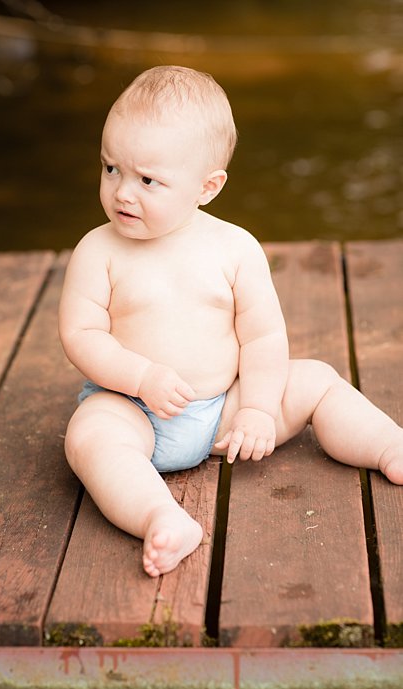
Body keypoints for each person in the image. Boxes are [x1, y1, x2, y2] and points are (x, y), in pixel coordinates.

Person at [59, 65, 403, 577]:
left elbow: (262, 336)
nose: (123, 192)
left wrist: (259, 409)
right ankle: (162, 518)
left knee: (317, 381)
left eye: (148, 180)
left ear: (208, 186)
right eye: (111, 169)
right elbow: (81, 335)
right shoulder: (98, 250)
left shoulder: (234, 248)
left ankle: (387, 443)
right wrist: (141, 378)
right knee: (89, 438)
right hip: (134, 410)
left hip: (224, 412)